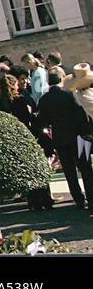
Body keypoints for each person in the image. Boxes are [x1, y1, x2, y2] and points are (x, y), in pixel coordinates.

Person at [37, 68, 93, 212]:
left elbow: (43, 121)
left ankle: (78, 200)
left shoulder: (44, 99)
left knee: (69, 171)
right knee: (85, 169)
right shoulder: (69, 94)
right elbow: (80, 115)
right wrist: (86, 133)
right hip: (78, 137)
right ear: (61, 79)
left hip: (60, 138)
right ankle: (91, 199)